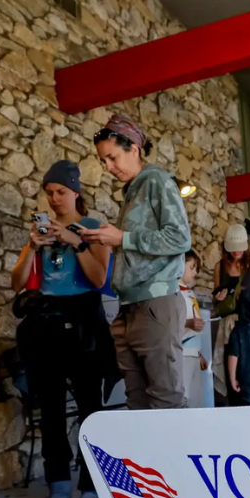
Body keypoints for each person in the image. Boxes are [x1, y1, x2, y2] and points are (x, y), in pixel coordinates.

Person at [10, 160, 113, 498]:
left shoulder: (93, 228)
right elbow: (16, 282)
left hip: (84, 322)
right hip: (46, 322)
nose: (54, 198)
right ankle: (58, 482)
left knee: (89, 407)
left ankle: (92, 482)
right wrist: (32, 248)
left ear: (76, 193)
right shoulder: (40, 232)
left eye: (61, 192)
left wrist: (76, 241)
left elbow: (100, 278)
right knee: (49, 407)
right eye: (50, 192)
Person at [82, 114, 191, 409]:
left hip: (155, 303)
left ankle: (170, 457)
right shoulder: (132, 191)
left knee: (164, 401)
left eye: (112, 157)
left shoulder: (156, 180)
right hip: (129, 306)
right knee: (138, 403)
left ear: (134, 148)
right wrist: (112, 238)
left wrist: (123, 239)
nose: (108, 167)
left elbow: (180, 239)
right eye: (104, 161)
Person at [211, 223, 250, 405]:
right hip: (229, 329)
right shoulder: (220, 266)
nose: (236, 252)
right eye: (233, 249)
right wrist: (219, 297)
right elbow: (217, 301)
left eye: (240, 248)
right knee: (234, 380)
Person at [180, 250, 209, 407]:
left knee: (197, 401)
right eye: (191, 267)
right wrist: (188, 323)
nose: (195, 272)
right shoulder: (173, 294)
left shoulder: (190, 294)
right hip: (181, 354)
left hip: (193, 355)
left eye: (196, 269)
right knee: (184, 399)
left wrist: (199, 354)